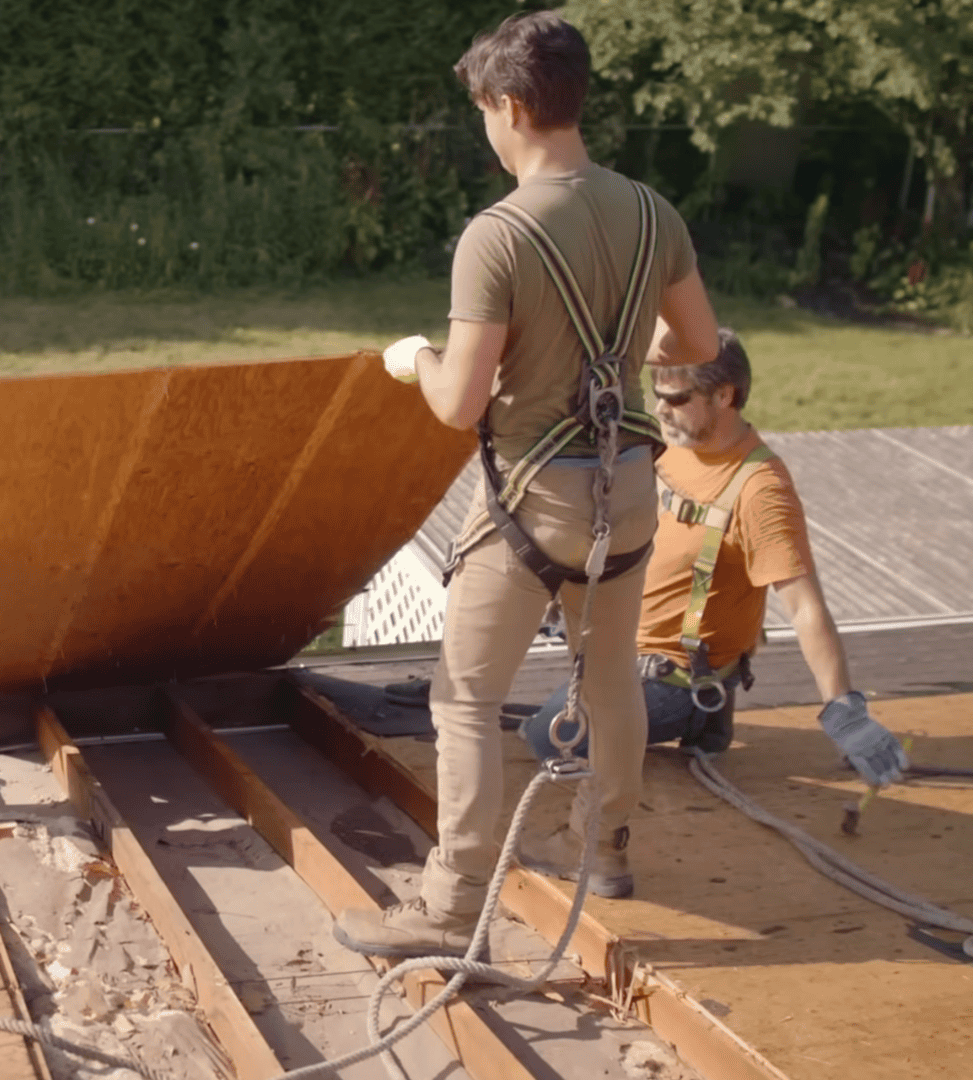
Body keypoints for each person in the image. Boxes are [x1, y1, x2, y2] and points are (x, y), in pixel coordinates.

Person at [333, 10, 721, 958]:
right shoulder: (649, 211)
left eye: (484, 111)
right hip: (627, 491)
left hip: (531, 505)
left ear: (511, 105)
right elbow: (699, 349)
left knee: (463, 698)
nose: (487, 129)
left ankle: (450, 904)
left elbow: (461, 404)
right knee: (607, 674)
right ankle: (609, 847)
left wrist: (414, 358)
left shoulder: (497, 235)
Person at [517, 329, 908, 888]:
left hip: (672, 677)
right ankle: (698, 721)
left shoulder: (760, 489)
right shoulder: (676, 440)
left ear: (724, 396)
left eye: (675, 398)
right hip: (634, 649)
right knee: (549, 716)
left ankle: (693, 717)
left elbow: (805, 608)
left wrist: (845, 711)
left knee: (542, 736)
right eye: (657, 393)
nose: (659, 408)